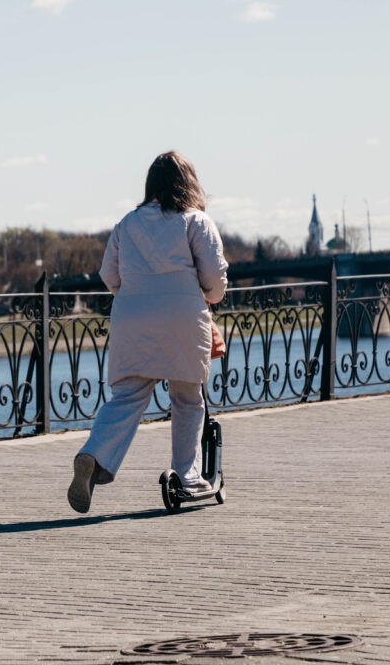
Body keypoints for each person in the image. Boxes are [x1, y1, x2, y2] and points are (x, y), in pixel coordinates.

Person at [68, 151, 228, 513]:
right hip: (182, 319)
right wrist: (206, 296)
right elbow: (215, 281)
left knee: (126, 397)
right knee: (188, 398)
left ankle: (93, 455)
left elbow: (109, 276)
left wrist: (138, 293)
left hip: (131, 319)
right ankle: (187, 477)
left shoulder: (127, 224)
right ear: (189, 182)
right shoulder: (196, 221)